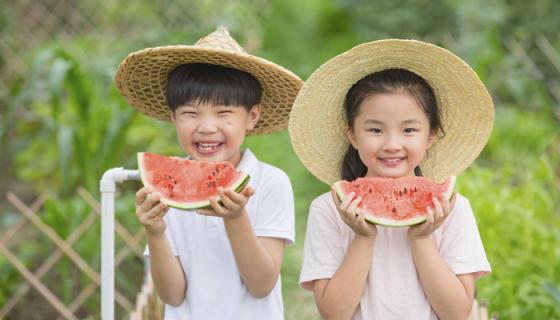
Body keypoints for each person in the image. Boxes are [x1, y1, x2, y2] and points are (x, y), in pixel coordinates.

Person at [289, 39, 494, 319]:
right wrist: (362, 238)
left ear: (431, 135)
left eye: (409, 130)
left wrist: (422, 239)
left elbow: (457, 313)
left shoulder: (452, 210)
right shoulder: (329, 210)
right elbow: (333, 314)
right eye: (375, 130)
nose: (392, 144)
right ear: (352, 135)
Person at [115, 28, 303, 320]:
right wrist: (155, 232)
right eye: (191, 113)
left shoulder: (271, 183)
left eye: (223, 112)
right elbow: (172, 295)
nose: (206, 127)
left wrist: (236, 218)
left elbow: (262, 285)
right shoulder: (167, 190)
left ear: (251, 117)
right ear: (173, 117)